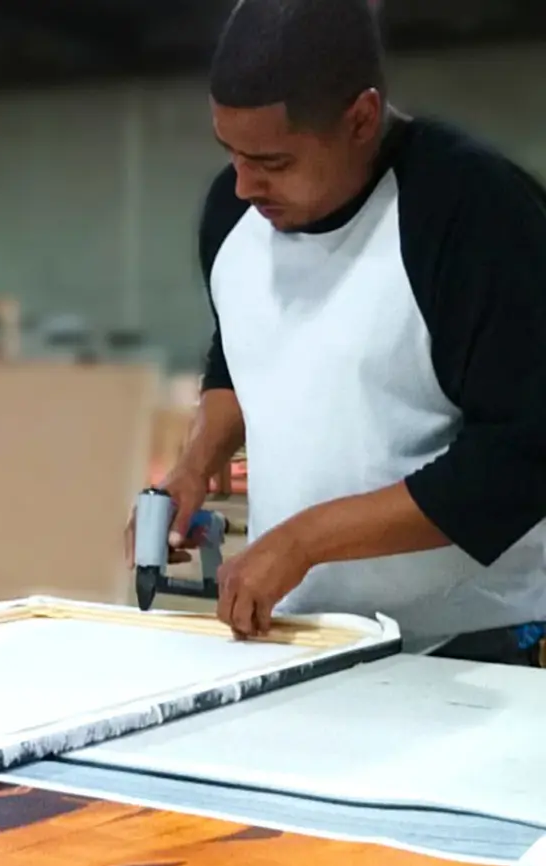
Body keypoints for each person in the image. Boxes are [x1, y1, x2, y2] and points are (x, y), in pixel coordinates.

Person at [126, 0, 546, 662]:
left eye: (273, 161)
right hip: (306, 637)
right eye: (230, 153)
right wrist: (195, 465)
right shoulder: (234, 214)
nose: (243, 184)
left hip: (477, 644)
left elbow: (522, 455)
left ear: (361, 119)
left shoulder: (472, 214)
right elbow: (240, 351)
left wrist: (305, 540)